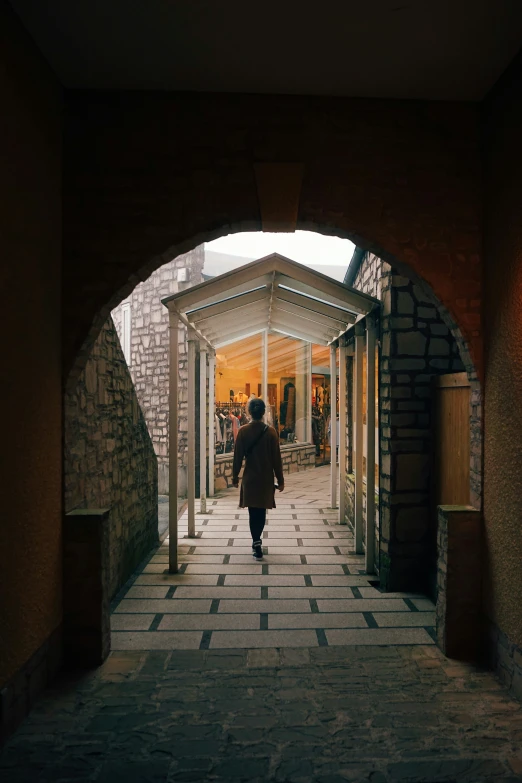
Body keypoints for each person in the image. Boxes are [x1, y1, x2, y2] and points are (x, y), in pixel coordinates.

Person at [232, 397, 284, 560]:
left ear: (249, 412)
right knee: (261, 512)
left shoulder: (243, 432)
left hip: (250, 478)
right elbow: (277, 458)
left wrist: (234, 476)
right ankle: (257, 541)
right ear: (263, 412)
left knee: (252, 511)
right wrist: (280, 479)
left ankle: (255, 541)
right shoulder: (271, 432)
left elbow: (237, 457)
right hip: (265, 478)